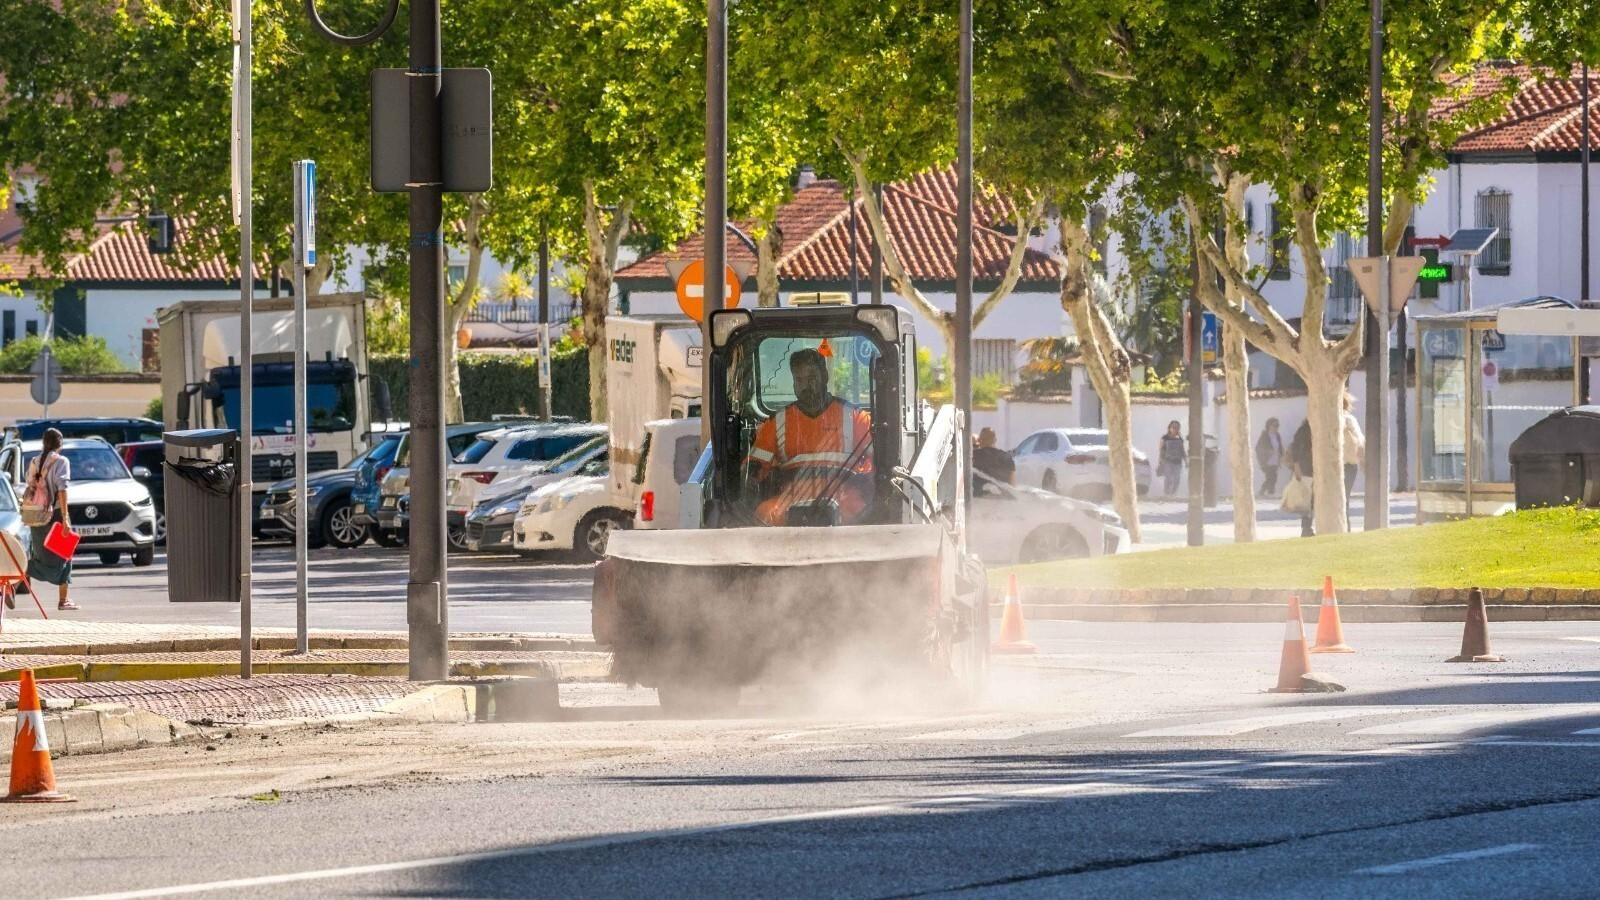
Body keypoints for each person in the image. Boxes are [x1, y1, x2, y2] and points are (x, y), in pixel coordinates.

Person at [746, 348, 874, 526]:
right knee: (764, 514)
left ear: (825, 377)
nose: (806, 386)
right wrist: (751, 477)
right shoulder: (776, 423)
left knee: (869, 512)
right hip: (789, 501)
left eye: (812, 378)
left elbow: (879, 461)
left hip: (845, 499)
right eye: (799, 380)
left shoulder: (855, 418)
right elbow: (754, 469)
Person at [23, 428, 77, 610]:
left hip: (35, 515)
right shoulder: (61, 461)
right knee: (65, 554)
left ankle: (13, 583)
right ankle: (64, 600)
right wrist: (65, 518)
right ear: (59, 443)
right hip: (54, 515)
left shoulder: (34, 461)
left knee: (39, 556)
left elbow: (29, 485)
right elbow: (62, 489)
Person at [1341, 390, 1365, 526]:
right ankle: (1346, 528)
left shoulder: (1342, 419)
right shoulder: (1352, 419)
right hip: (1351, 463)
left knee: (1340, 500)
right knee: (1345, 499)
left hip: (1341, 464)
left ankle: (1344, 528)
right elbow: (1360, 441)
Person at [1289, 419, 1315, 537]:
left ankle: (1307, 527)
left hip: (1310, 467)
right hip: (1307, 468)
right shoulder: (1303, 431)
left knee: (1310, 498)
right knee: (1308, 498)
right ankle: (1306, 527)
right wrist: (1297, 466)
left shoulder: (1303, 430)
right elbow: (1295, 450)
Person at [1255, 417, 1285, 498]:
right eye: (1275, 425)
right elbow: (1258, 448)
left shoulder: (1277, 435)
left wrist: (1281, 456)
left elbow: (1279, 446)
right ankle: (1265, 492)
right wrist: (1267, 451)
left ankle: (1269, 492)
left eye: (1277, 425)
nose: (1276, 427)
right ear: (1269, 425)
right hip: (1266, 460)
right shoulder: (1265, 435)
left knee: (1274, 477)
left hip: (1275, 460)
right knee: (1270, 477)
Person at [1157, 420, 1186, 497]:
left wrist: (1186, 461)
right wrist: (1160, 460)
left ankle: (1173, 493)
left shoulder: (1180, 439)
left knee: (1177, 478)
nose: (1175, 429)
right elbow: (1161, 450)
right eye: (1173, 427)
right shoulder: (1165, 438)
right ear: (1169, 428)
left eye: (1177, 428)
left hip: (1177, 462)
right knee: (1168, 478)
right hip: (1167, 462)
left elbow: (1182, 450)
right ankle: (1166, 493)